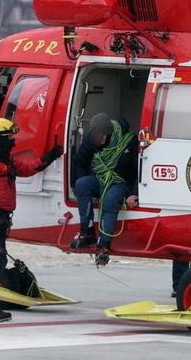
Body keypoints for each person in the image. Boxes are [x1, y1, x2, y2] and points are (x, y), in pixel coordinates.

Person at [0, 117, 62, 322]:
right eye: (9, 137)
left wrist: (48, 158)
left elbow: (27, 169)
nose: (12, 140)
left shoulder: (5, 159)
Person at [70, 112, 139, 266]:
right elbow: (80, 162)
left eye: (103, 136)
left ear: (110, 133)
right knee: (82, 185)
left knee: (109, 199)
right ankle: (86, 232)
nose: (99, 140)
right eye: (97, 135)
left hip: (122, 182)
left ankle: (104, 246)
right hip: (101, 179)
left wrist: (134, 193)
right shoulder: (91, 140)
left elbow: (139, 169)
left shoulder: (129, 141)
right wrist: (80, 184)